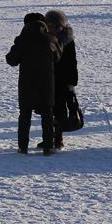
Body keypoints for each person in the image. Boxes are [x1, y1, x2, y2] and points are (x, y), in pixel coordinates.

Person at [6, 12, 60, 156]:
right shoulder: (51, 39)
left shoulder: (23, 40)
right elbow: (57, 58)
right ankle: (48, 146)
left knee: (25, 114)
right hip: (46, 82)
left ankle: (23, 147)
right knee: (47, 114)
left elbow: (11, 60)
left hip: (27, 82)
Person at [44, 9, 77, 151]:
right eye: (50, 26)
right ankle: (48, 137)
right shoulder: (45, 39)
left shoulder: (67, 41)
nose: (53, 29)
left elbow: (72, 62)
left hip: (62, 80)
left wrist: (72, 82)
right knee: (47, 110)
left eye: (56, 26)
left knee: (60, 110)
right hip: (48, 78)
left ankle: (58, 139)